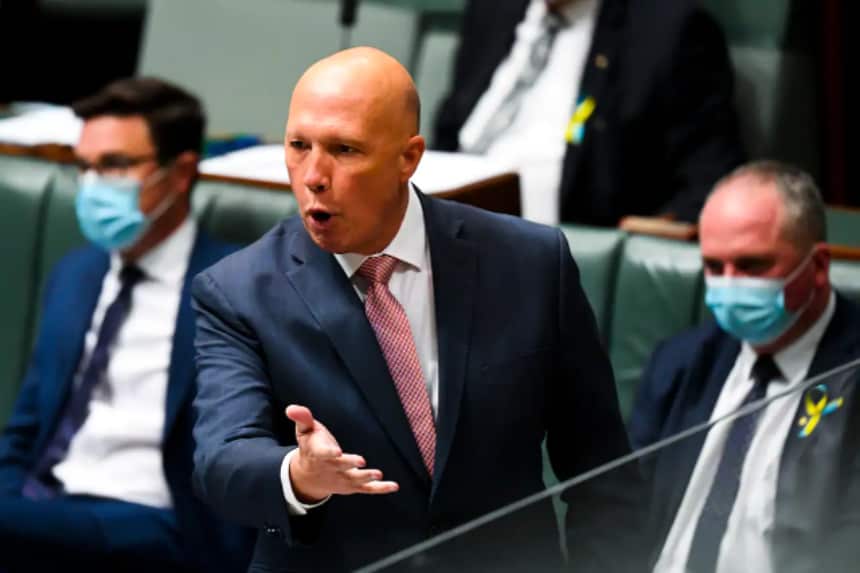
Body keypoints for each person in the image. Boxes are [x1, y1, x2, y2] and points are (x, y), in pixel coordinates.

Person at [191, 47, 634, 571]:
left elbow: (604, 476)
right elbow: (221, 459)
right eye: (298, 145)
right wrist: (299, 475)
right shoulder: (238, 291)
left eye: (345, 150)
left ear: (409, 156)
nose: (313, 174)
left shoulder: (531, 264)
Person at [0, 77, 251, 572]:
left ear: (179, 174)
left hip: (153, 519)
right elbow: (27, 425)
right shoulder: (77, 273)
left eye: (114, 166)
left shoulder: (237, 289)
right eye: (84, 168)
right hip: (43, 504)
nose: (93, 186)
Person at [629, 161, 860, 572]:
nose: (730, 284)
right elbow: (625, 511)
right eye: (714, 267)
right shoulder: (680, 363)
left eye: (752, 265)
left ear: (819, 266)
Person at [434, 0, 745, 226]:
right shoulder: (493, 10)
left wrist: (656, 227)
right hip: (448, 219)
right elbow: (450, 127)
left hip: (554, 243)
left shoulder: (668, 31)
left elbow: (709, 179)